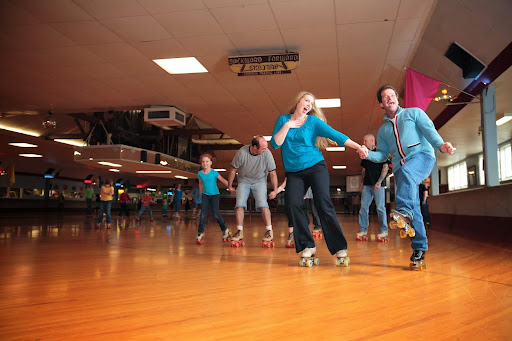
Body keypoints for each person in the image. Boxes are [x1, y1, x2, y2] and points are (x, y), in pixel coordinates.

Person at [359, 84, 454, 267]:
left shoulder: (414, 113)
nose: (389, 98)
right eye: (385, 97)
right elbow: (382, 155)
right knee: (414, 207)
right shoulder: (383, 130)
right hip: (401, 168)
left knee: (408, 179)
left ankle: (403, 211)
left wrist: (441, 146)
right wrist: (368, 154)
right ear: (381, 104)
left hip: (422, 158)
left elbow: (429, 131)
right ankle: (419, 248)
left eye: (392, 95)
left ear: (396, 98)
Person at [270, 91, 368, 266]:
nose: (309, 104)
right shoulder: (283, 119)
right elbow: (275, 143)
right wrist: (289, 125)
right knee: (293, 205)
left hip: (315, 167)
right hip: (294, 172)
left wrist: (358, 147)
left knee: (323, 203)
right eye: (306, 100)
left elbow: (336, 135)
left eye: (312, 103)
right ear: (298, 101)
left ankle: (339, 247)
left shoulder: (313, 122)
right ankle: (307, 245)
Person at [227, 135, 278, 247]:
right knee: (239, 204)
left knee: (263, 205)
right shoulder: (242, 152)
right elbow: (233, 170)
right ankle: (239, 231)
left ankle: (269, 231)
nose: (265, 150)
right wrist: (229, 186)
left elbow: (272, 173)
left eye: (266, 148)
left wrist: (275, 190)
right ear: (254, 147)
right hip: (244, 180)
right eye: (263, 148)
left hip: (260, 180)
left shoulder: (267, 154)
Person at [357, 134, 389, 242]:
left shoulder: (381, 152)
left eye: (365, 141)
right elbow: (364, 170)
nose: (364, 143)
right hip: (367, 185)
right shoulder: (366, 154)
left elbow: (385, 168)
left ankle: (384, 230)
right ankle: (363, 230)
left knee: (380, 208)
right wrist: (362, 182)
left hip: (378, 185)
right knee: (363, 208)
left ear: (372, 141)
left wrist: (379, 181)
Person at [196, 154, 231, 245]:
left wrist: (231, 187)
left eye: (207, 161)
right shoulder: (200, 173)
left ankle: (225, 229)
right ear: (201, 163)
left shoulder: (214, 172)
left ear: (211, 163)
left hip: (215, 195)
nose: (205, 163)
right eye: (203, 162)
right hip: (205, 195)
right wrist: (201, 193)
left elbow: (223, 180)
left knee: (215, 214)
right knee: (203, 214)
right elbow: (200, 184)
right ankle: (200, 233)